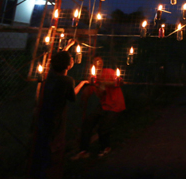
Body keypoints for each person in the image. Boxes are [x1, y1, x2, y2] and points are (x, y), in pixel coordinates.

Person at [31, 47, 88, 179]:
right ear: (68, 65)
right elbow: (72, 97)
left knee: (41, 143)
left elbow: (58, 58)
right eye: (71, 59)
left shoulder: (49, 75)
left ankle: (38, 171)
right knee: (53, 147)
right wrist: (82, 83)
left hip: (42, 113)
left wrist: (67, 47)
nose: (74, 59)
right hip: (56, 117)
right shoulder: (67, 80)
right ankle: (49, 172)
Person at [72, 56, 126, 159]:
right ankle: (84, 151)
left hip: (115, 105)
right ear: (93, 65)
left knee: (103, 128)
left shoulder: (109, 72)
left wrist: (104, 84)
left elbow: (119, 82)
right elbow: (90, 94)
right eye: (96, 62)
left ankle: (105, 148)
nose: (98, 64)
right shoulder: (93, 78)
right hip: (104, 105)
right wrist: (86, 88)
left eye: (100, 62)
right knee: (88, 123)